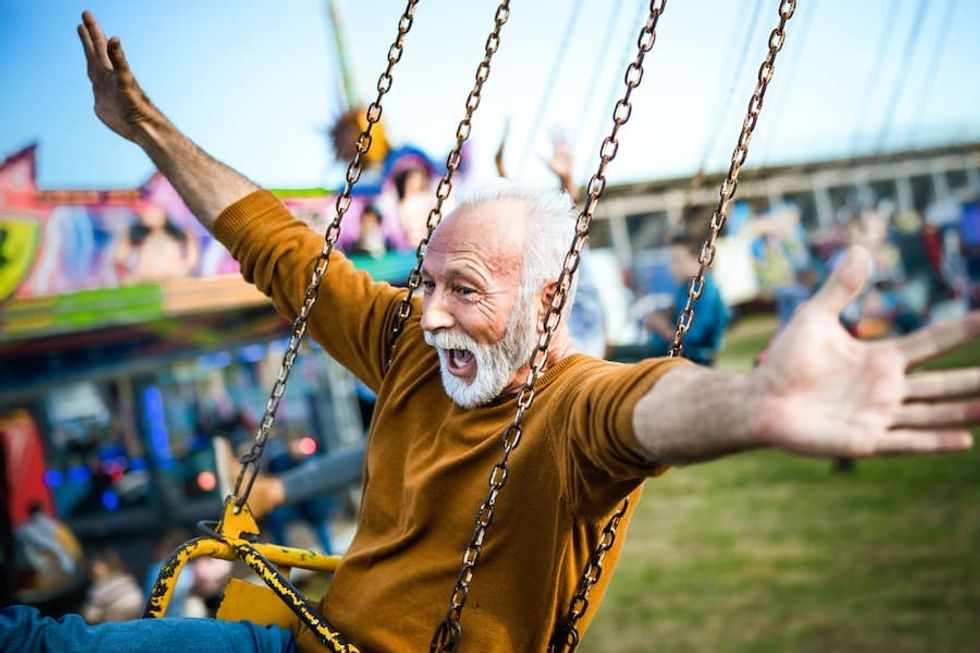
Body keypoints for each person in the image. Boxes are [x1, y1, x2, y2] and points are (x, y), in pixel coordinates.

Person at [3, 13, 978, 653]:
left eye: (462, 290)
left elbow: (652, 405)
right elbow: (275, 245)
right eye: (424, 282)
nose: (427, 314)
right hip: (295, 635)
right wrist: (145, 128)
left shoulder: (571, 407)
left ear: (545, 304)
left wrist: (757, 402)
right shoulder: (405, 340)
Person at [645, 233, 731, 365]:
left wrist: (663, 327)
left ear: (699, 259)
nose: (671, 268)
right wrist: (663, 316)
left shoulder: (706, 292)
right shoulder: (684, 288)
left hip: (694, 360)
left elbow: (692, 337)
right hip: (669, 355)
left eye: (677, 261)